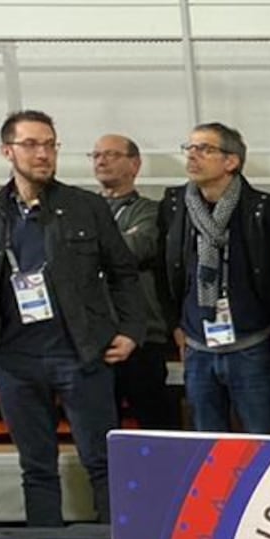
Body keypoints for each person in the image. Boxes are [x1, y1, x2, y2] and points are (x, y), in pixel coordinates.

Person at [0, 111, 148, 527]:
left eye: (50, 144)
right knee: (36, 466)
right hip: (14, 359)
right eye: (31, 145)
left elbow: (123, 273)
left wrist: (131, 330)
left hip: (79, 354)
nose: (43, 154)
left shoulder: (86, 207)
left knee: (101, 462)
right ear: (8, 151)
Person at [161, 122, 270, 436]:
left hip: (251, 343)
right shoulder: (176, 205)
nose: (192, 156)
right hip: (197, 344)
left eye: (204, 149)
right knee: (207, 444)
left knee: (262, 441)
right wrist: (174, 326)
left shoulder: (266, 209)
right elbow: (164, 270)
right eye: (189, 148)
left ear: (231, 161)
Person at [91, 135, 179, 434]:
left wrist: (86, 248)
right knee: (103, 432)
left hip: (143, 338)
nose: (101, 160)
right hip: (94, 339)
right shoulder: (81, 211)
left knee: (158, 429)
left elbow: (135, 249)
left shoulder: (152, 211)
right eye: (97, 155)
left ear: (135, 164)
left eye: (112, 154)